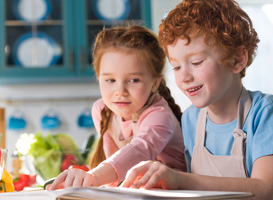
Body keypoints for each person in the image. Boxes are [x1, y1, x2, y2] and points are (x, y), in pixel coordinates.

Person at [120, 0, 273, 199]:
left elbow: (266, 188)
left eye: (196, 62)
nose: (184, 77)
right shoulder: (191, 119)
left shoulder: (263, 114)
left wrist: (180, 179)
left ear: (237, 60)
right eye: (176, 67)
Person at [48, 25, 186, 190]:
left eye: (134, 80)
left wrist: (93, 176)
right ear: (98, 78)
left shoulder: (159, 115)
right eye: (110, 80)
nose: (120, 91)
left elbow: (139, 151)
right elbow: (116, 167)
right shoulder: (101, 110)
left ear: (155, 83)